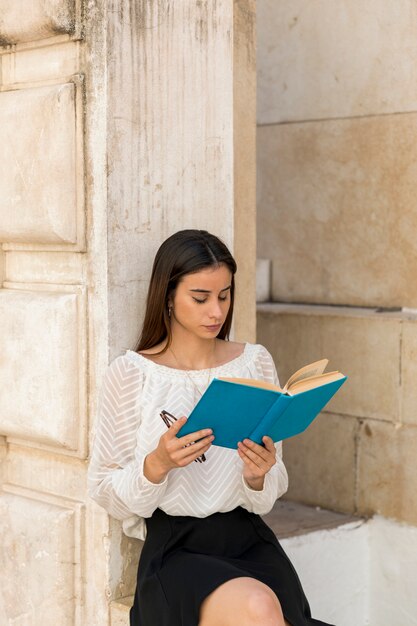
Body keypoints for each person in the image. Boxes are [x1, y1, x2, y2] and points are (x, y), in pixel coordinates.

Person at [88, 229, 334, 626]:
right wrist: (157, 464)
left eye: (225, 295)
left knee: (270, 610)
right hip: (176, 549)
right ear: (168, 296)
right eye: (200, 298)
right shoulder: (131, 374)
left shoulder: (254, 363)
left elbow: (268, 492)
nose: (216, 312)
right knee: (258, 609)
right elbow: (103, 488)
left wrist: (258, 475)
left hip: (248, 538)